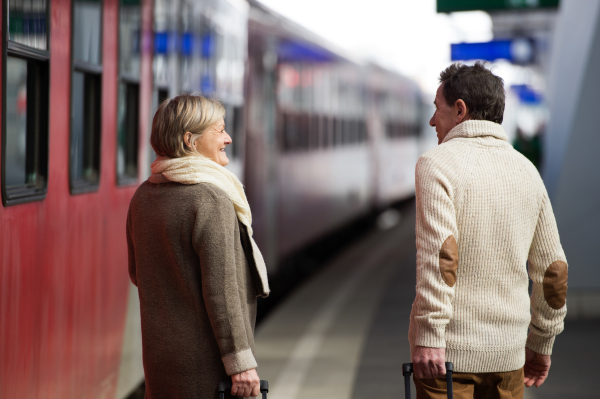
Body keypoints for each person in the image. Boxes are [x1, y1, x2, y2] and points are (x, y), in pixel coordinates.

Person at [408, 62, 568, 399]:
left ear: (460, 109)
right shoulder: (526, 169)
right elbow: (553, 272)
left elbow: (439, 261)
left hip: (447, 363)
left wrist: (428, 337)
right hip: (509, 360)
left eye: (437, 109)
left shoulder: (436, 164)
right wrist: (541, 343)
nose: (432, 120)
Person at [126, 94, 270, 399]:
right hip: (207, 369)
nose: (228, 138)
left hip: (161, 363)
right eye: (219, 131)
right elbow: (223, 291)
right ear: (190, 140)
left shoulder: (143, 196)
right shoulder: (210, 198)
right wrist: (240, 365)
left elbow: (138, 274)